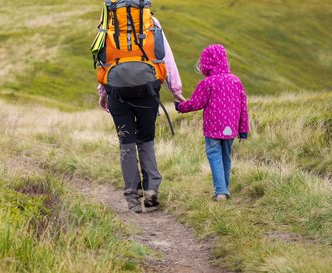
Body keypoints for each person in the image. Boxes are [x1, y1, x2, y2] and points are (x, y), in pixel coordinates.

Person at [98, 14, 185, 213]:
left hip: (117, 93)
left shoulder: (108, 24)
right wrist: (176, 90)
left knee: (126, 143)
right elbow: (165, 57)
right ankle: (151, 189)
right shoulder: (152, 22)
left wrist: (102, 92)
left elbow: (103, 60)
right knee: (146, 139)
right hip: (148, 92)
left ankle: (133, 197)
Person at [174, 44, 249, 201]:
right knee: (226, 156)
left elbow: (195, 103)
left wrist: (180, 106)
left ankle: (221, 191)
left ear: (205, 64)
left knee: (214, 155)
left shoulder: (207, 83)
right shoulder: (236, 81)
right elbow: (243, 108)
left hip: (213, 128)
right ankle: (224, 188)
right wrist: (243, 131)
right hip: (230, 129)